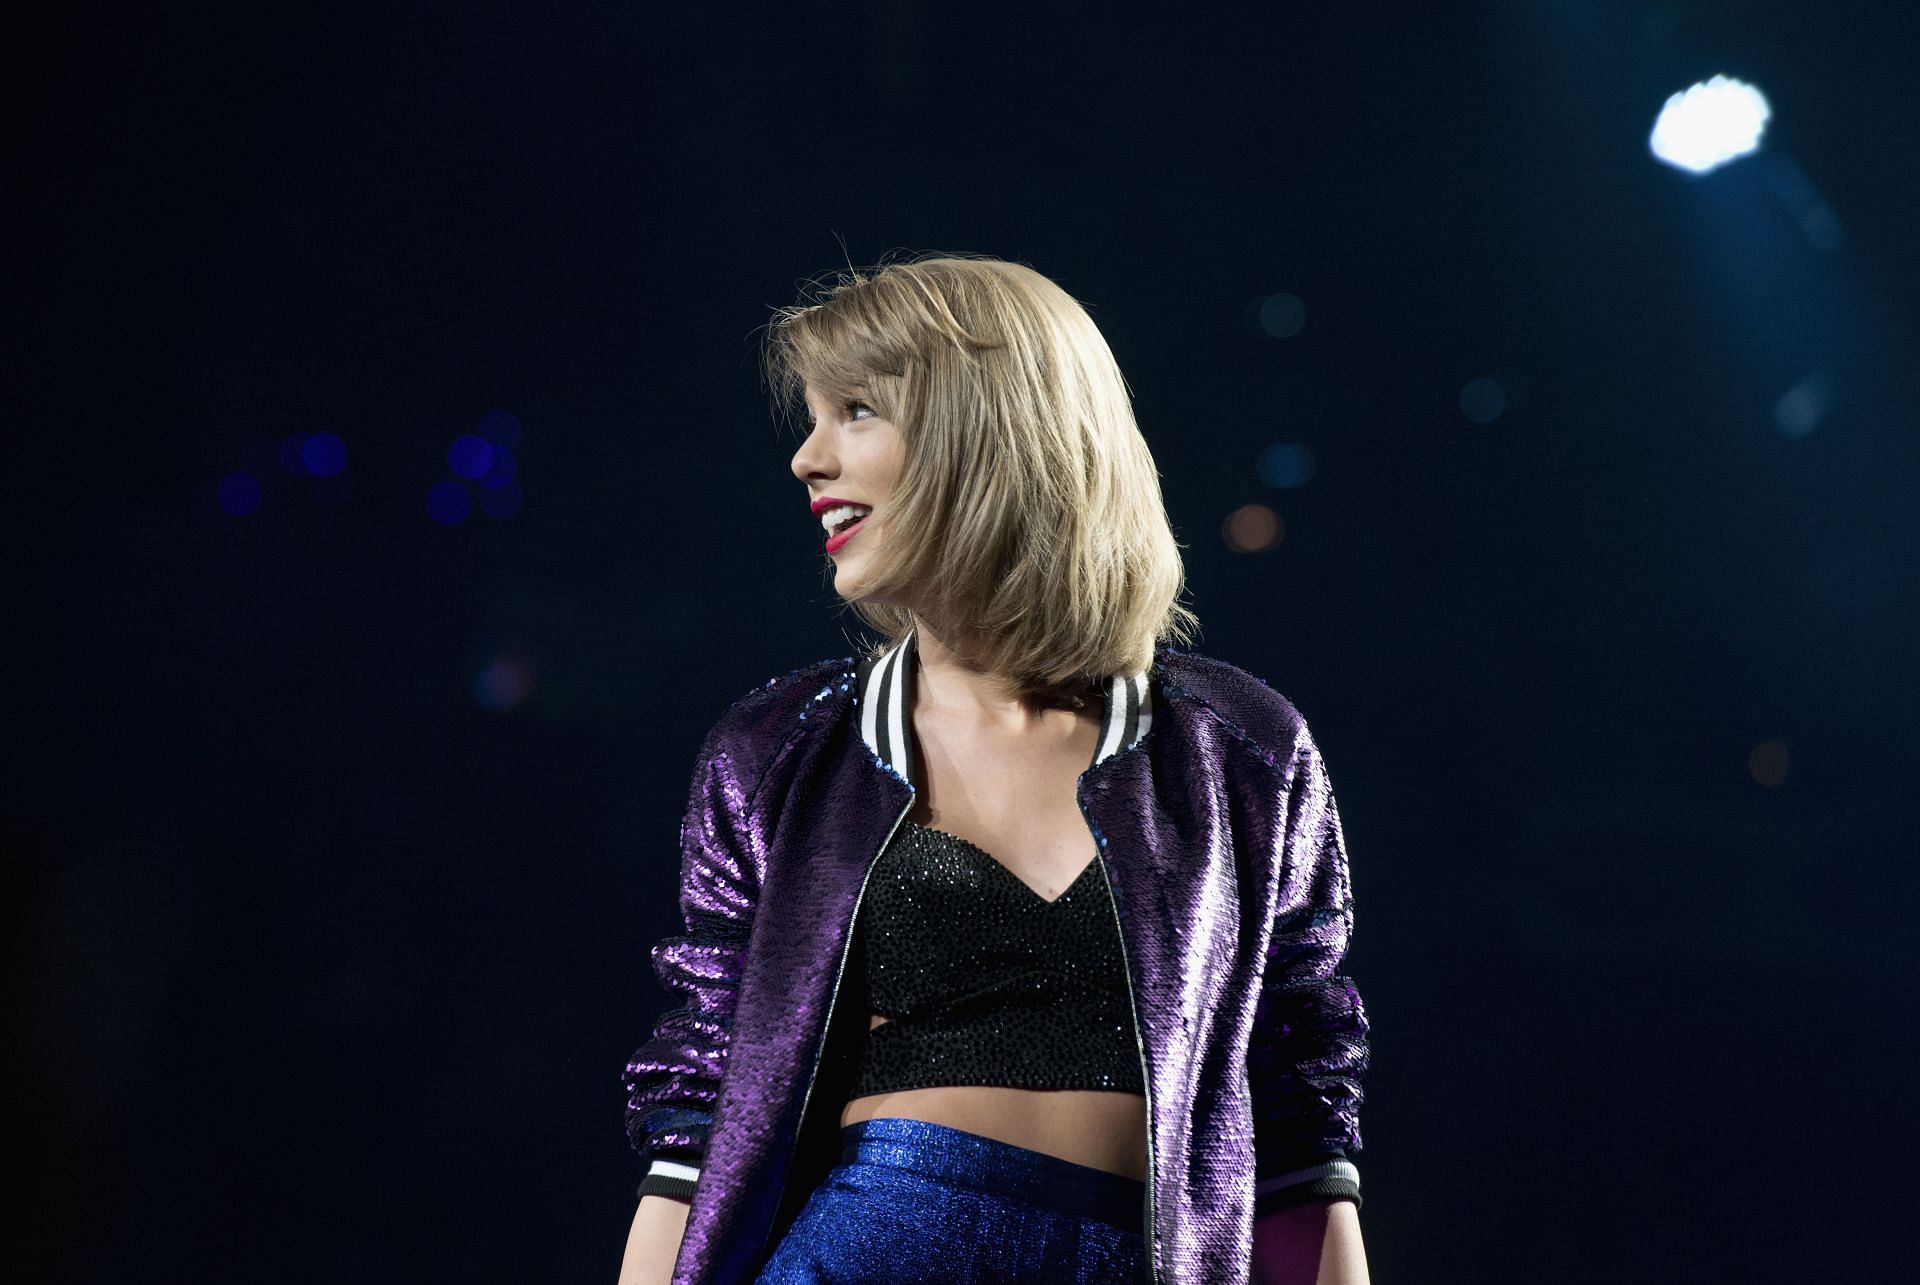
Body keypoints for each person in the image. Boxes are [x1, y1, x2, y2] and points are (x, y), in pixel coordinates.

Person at [617, 255, 1370, 1284]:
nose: (806, 457)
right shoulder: (783, 750)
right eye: (811, 416)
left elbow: (1299, 1117)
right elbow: (698, 1113)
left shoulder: (1237, 746)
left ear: (985, 425)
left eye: (856, 411)